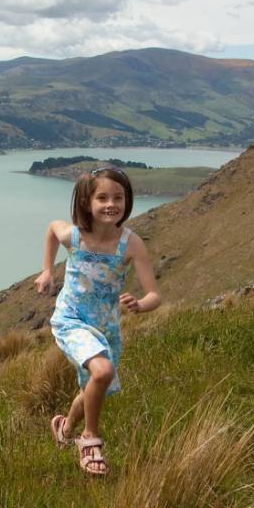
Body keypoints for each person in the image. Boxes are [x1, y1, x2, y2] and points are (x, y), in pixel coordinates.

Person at [35, 166, 162, 476]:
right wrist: (48, 270)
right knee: (102, 372)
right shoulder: (76, 236)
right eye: (102, 197)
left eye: (118, 197)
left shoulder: (131, 244)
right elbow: (53, 228)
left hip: (106, 328)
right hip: (71, 320)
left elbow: (154, 295)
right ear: (86, 202)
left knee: (93, 387)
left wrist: (140, 305)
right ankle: (89, 440)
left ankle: (64, 427)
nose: (111, 204)